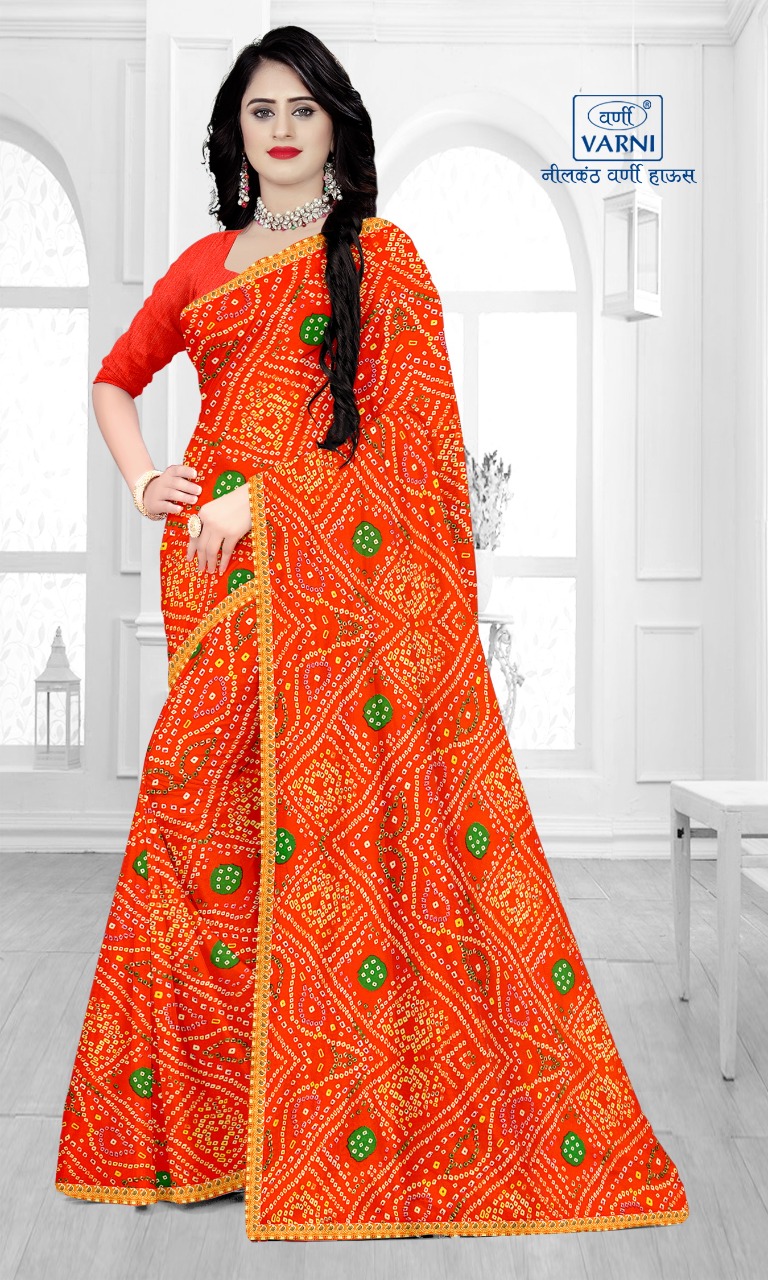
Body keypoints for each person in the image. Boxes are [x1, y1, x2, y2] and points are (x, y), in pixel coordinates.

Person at [55, 25, 689, 1242]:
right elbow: (114, 379)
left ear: (334, 124)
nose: (282, 129)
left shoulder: (381, 259)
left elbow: (409, 454)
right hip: (225, 596)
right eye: (260, 111)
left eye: (302, 108)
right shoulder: (202, 267)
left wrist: (262, 502)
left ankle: (350, 1114)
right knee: (197, 841)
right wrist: (148, 482)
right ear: (235, 136)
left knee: (338, 850)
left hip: (340, 610)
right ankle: (201, 1132)